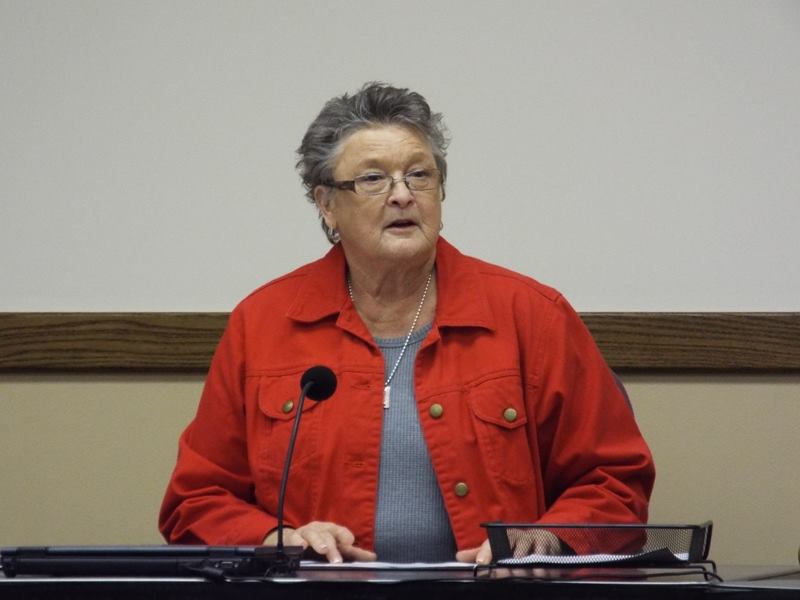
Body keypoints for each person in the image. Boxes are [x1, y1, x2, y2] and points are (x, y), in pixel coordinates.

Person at [159, 82, 655, 564]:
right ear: (327, 204)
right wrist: (275, 539)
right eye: (373, 179)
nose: (402, 195)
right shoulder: (263, 323)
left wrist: (550, 537)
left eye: (419, 175)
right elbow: (197, 499)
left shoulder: (530, 315)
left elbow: (614, 478)